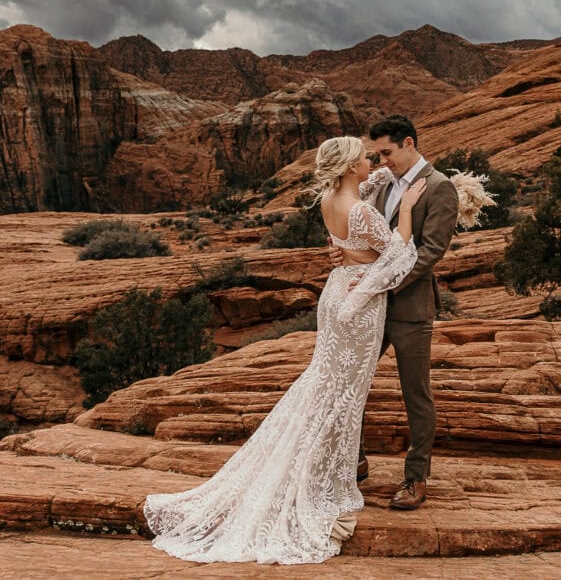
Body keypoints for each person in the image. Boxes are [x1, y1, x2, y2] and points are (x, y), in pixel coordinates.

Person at [144, 136, 425, 564]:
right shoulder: (364, 211)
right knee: (344, 397)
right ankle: (319, 483)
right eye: (366, 158)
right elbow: (396, 259)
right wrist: (405, 211)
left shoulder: (332, 198)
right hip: (359, 305)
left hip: (336, 296)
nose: (373, 162)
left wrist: (397, 173)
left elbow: (365, 197)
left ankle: (314, 472)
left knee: (327, 388)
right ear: (350, 167)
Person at [329, 115, 458, 511]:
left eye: (387, 152)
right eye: (378, 154)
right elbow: (370, 239)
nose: (383, 161)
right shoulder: (383, 183)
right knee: (354, 385)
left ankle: (416, 477)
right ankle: (356, 460)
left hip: (410, 309)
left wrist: (378, 282)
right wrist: (346, 254)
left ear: (408, 143)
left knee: (415, 394)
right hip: (371, 308)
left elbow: (431, 252)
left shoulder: (440, 188)